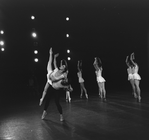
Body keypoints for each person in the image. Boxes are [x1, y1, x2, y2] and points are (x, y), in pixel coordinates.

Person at [39, 48, 72, 121]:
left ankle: (61, 115)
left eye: (63, 66)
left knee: (57, 102)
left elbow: (56, 80)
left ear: (64, 68)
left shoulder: (63, 74)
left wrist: (53, 78)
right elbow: (54, 63)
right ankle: (44, 112)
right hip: (52, 87)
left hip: (57, 89)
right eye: (61, 65)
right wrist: (54, 57)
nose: (61, 66)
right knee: (47, 100)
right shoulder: (57, 69)